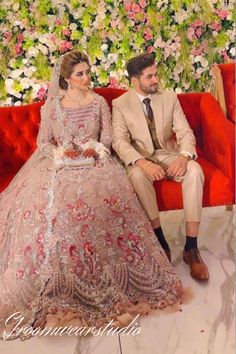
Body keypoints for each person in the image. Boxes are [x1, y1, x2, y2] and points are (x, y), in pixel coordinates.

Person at [0, 50, 184, 340]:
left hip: (97, 163)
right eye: (80, 74)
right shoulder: (53, 108)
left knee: (105, 198)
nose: (87, 78)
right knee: (58, 204)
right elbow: (43, 143)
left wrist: (94, 149)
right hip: (60, 165)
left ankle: (113, 277)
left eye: (88, 72)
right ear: (66, 79)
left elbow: (108, 140)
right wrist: (63, 152)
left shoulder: (99, 102)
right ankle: (61, 281)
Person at [112, 53, 209, 282]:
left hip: (168, 154)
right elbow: (119, 141)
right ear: (135, 81)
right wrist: (142, 162)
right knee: (136, 175)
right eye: (150, 77)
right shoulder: (120, 104)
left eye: (156, 75)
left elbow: (184, 132)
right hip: (140, 158)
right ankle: (161, 243)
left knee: (195, 170)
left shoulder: (169, 98)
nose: (156, 80)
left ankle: (191, 248)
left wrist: (184, 157)